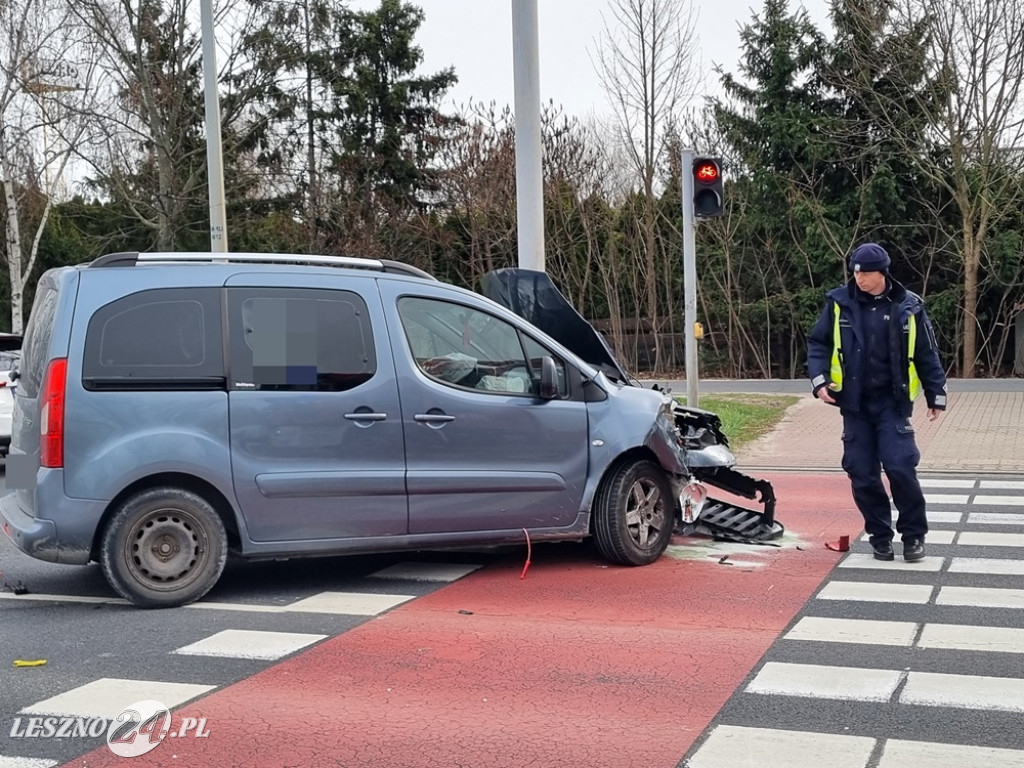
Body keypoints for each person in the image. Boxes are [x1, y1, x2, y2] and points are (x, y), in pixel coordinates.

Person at [807, 243, 947, 562]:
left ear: (883, 273)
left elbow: (927, 353)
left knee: (900, 466)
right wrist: (818, 382)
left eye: (866, 273)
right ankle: (879, 535)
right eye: (856, 271)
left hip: (891, 402)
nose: (859, 278)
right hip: (854, 404)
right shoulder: (839, 303)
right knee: (861, 471)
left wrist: (935, 394)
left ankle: (913, 536)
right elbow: (818, 343)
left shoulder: (908, 306)